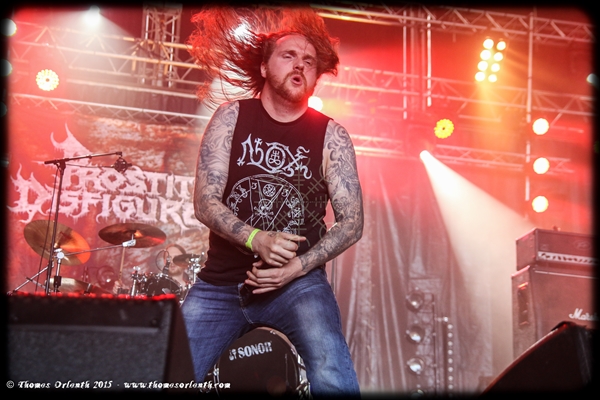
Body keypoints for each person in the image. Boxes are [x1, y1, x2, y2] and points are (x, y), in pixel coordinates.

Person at [181, 6, 364, 397]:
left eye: (309, 61)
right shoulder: (231, 117)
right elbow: (205, 202)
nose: (300, 65)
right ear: (264, 67)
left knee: (331, 370)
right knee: (169, 374)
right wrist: (256, 239)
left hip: (298, 284)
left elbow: (352, 223)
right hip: (222, 283)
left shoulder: (331, 137)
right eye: (289, 55)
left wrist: (296, 268)